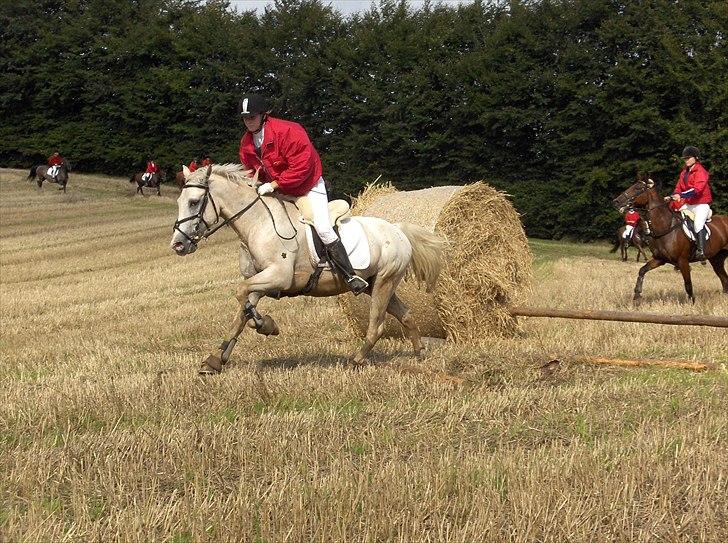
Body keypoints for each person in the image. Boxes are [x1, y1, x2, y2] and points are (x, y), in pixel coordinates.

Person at [237, 93, 368, 295]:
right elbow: (250, 169)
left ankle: (350, 276)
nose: (248, 122)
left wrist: (274, 184)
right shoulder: (247, 143)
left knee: (323, 228)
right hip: (281, 191)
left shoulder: (289, 130)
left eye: (252, 117)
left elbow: (302, 165)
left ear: (264, 115)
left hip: (308, 185)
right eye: (245, 118)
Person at [669, 146, 712, 260]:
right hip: (689, 204)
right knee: (674, 217)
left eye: (688, 158)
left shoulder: (701, 171)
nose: (686, 160)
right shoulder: (684, 173)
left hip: (701, 204)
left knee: (698, 224)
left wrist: (681, 195)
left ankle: (701, 251)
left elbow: (696, 189)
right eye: (685, 158)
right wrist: (673, 195)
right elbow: (678, 187)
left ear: (696, 158)